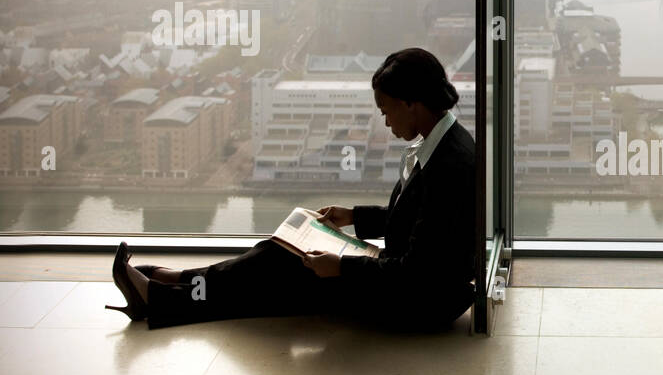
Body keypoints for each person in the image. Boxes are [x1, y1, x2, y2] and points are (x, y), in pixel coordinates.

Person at [106, 48, 476, 332]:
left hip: (418, 305)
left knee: (278, 276)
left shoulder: (448, 165)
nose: (384, 121)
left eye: (385, 109)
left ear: (411, 103)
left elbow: (417, 274)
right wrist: (354, 217)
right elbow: (422, 225)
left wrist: (343, 268)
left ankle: (164, 295)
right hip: (412, 283)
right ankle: (176, 285)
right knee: (278, 254)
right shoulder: (443, 143)